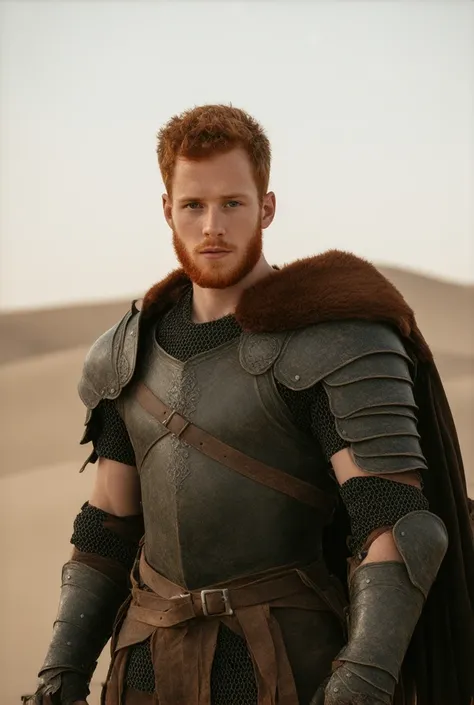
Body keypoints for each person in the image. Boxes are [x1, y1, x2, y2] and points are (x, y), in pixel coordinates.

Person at [25, 105, 474, 705]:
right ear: (167, 211)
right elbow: (106, 526)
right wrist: (62, 672)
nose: (213, 225)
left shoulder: (332, 342)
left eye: (233, 203)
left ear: (266, 206)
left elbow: (393, 521)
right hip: (145, 672)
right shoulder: (123, 355)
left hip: (289, 665)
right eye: (193, 205)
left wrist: (362, 682)